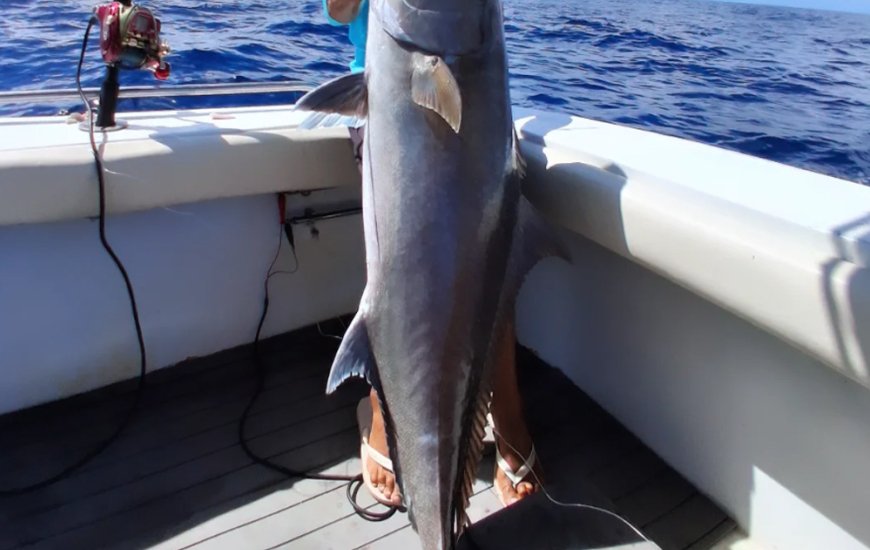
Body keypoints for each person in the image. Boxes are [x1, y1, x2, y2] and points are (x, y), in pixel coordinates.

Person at [322, 0, 540, 508]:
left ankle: (508, 418)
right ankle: (385, 416)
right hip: (387, 96)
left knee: (490, 260)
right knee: (397, 266)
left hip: (479, 100)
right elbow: (338, 10)